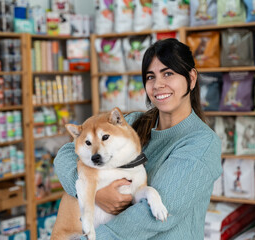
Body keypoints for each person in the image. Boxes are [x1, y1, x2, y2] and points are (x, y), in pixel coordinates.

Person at [54, 38, 222, 239]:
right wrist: (93, 194)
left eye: (168, 73)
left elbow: (148, 218)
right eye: (150, 77)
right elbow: (65, 154)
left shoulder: (201, 143)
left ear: (191, 78)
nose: (158, 84)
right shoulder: (133, 122)